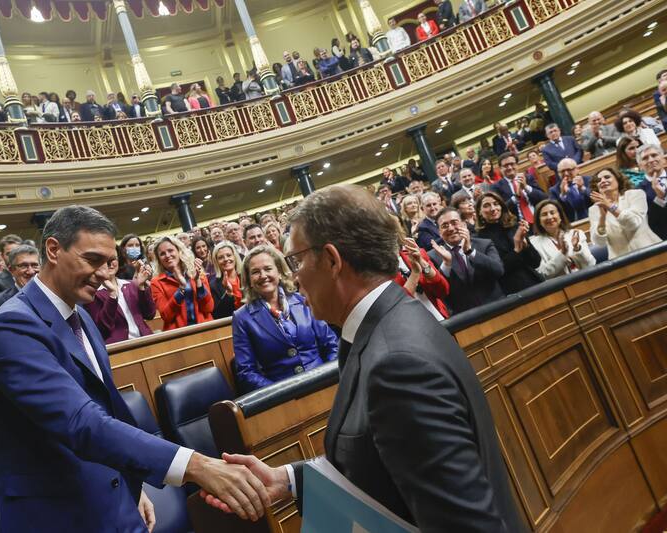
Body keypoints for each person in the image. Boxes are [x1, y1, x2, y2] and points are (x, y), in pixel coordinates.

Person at [206, 185, 522, 531]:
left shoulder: (397, 365)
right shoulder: (386, 323)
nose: (293, 277)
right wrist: (289, 480)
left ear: (332, 260)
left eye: (296, 260)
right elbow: (378, 463)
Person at [0, 206, 271, 532]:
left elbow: (108, 408)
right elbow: (80, 422)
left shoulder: (81, 315)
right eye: (92, 260)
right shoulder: (10, 327)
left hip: (115, 498)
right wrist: (197, 465)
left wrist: (135, 482)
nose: (104, 274)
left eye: (109, 262)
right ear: (54, 250)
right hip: (57, 513)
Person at [232, 245, 338, 392]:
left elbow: (331, 344)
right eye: (255, 272)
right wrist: (281, 394)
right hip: (283, 398)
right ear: (249, 280)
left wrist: (331, 377)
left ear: (279, 272)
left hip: (326, 384)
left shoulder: (303, 300)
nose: (263, 275)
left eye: (268, 269)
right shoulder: (242, 318)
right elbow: (246, 372)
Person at [475, 192, 543, 295]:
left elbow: (536, 262)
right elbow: (497, 271)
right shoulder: (480, 239)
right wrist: (516, 250)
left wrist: (526, 246)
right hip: (511, 292)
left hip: (535, 282)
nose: (493, 208)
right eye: (486, 206)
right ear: (479, 212)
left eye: (496, 203)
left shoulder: (513, 226)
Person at [589, 168, 660, 259]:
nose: (603, 181)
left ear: (618, 180)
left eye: (607, 177)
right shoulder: (594, 210)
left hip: (651, 251)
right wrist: (602, 218)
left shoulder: (635, 195)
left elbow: (633, 223)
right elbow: (599, 242)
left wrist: (611, 207)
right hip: (621, 261)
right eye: (599, 180)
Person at [85, 253, 155, 343]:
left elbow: (149, 314)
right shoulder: (92, 293)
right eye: (104, 260)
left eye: (113, 258)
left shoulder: (130, 284)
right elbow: (102, 329)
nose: (110, 263)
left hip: (146, 341)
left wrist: (141, 287)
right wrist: (112, 296)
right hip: (118, 348)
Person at [151, 236, 214, 330]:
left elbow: (208, 308)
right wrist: (181, 289)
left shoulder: (196, 272)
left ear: (179, 251)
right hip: (179, 334)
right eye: (162, 254)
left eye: (170, 250)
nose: (167, 255)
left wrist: (198, 282)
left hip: (205, 328)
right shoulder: (156, 282)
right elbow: (166, 316)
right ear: (159, 259)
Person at [530, 200, 596, 279]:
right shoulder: (534, 244)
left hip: (585, 280)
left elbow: (591, 264)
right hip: (560, 288)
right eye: (544, 214)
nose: (549, 217)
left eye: (552, 212)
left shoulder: (576, 234)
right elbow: (543, 274)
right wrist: (562, 254)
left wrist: (577, 248)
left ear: (560, 216)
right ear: (539, 221)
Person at [394, 233, 449, 320]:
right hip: (413, 326)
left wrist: (421, 262)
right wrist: (415, 274)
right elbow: (399, 309)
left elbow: (442, 291)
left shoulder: (414, 253)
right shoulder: (376, 275)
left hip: (439, 317)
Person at [493, 152, 547, 225]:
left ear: (517, 165)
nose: (510, 167)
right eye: (506, 165)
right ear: (500, 169)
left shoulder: (528, 177)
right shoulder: (497, 186)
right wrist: (515, 197)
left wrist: (526, 187)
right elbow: (500, 209)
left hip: (539, 219)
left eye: (512, 164)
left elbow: (543, 198)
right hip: (517, 224)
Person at [0, 244, 40, 315]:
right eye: (23, 266)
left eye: (35, 265)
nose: (31, 271)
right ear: (11, 270)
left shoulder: (53, 294)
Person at [635, 144, 667, 240]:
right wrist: (660, 199)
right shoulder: (638, 191)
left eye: (654, 155)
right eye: (645, 158)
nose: (651, 160)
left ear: (663, 159)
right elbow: (650, 223)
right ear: (640, 166)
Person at [208, 241, 244, 320]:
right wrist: (228, 294)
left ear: (234, 257)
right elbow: (218, 315)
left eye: (229, 255)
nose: (226, 259)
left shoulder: (246, 277)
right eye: (221, 257)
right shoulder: (213, 286)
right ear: (216, 262)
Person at [0, 234, 22, 300]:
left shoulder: (34, 274)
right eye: (9, 254)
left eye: (17, 252)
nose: (13, 256)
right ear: (2, 256)